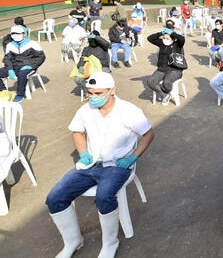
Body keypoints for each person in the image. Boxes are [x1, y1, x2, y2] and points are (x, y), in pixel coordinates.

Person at [46, 72, 155, 258]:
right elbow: (77, 132)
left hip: (117, 165)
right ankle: (73, 242)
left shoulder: (129, 111)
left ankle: (110, 243)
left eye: (98, 93)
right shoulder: (85, 110)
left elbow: (148, 134)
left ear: (112, 91)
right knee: (55, 198)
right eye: (90, 93)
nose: (92, 97)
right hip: (90, 164)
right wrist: (84, 153)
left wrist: (133, 157)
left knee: (104, 197)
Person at [0, 26, 46, 103]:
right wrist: (10, 69)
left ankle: (20, 95)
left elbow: (41, 57)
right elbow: (7, 59)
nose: (16, 35)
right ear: (11, 35)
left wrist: (31, 66)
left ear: (23, 34)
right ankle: (3, 91)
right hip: (14, 67)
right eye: (13, 33)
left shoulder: (32, 43)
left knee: (22, 74)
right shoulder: (10, 45)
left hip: (28, 67)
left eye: (18, 33)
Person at [144, 27, 186, 106]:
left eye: (168, 37)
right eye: (164, 37)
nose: (165, 38)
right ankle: (165, 95)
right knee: (150, 81)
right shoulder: (162, 44)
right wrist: (161, 33)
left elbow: (182, 39)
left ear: (173, 38)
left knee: (167, 83)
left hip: (175, 70)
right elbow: (150, 38)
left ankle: (164, 93)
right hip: (161, 69)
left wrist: (171, 33)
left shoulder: (177, 45)